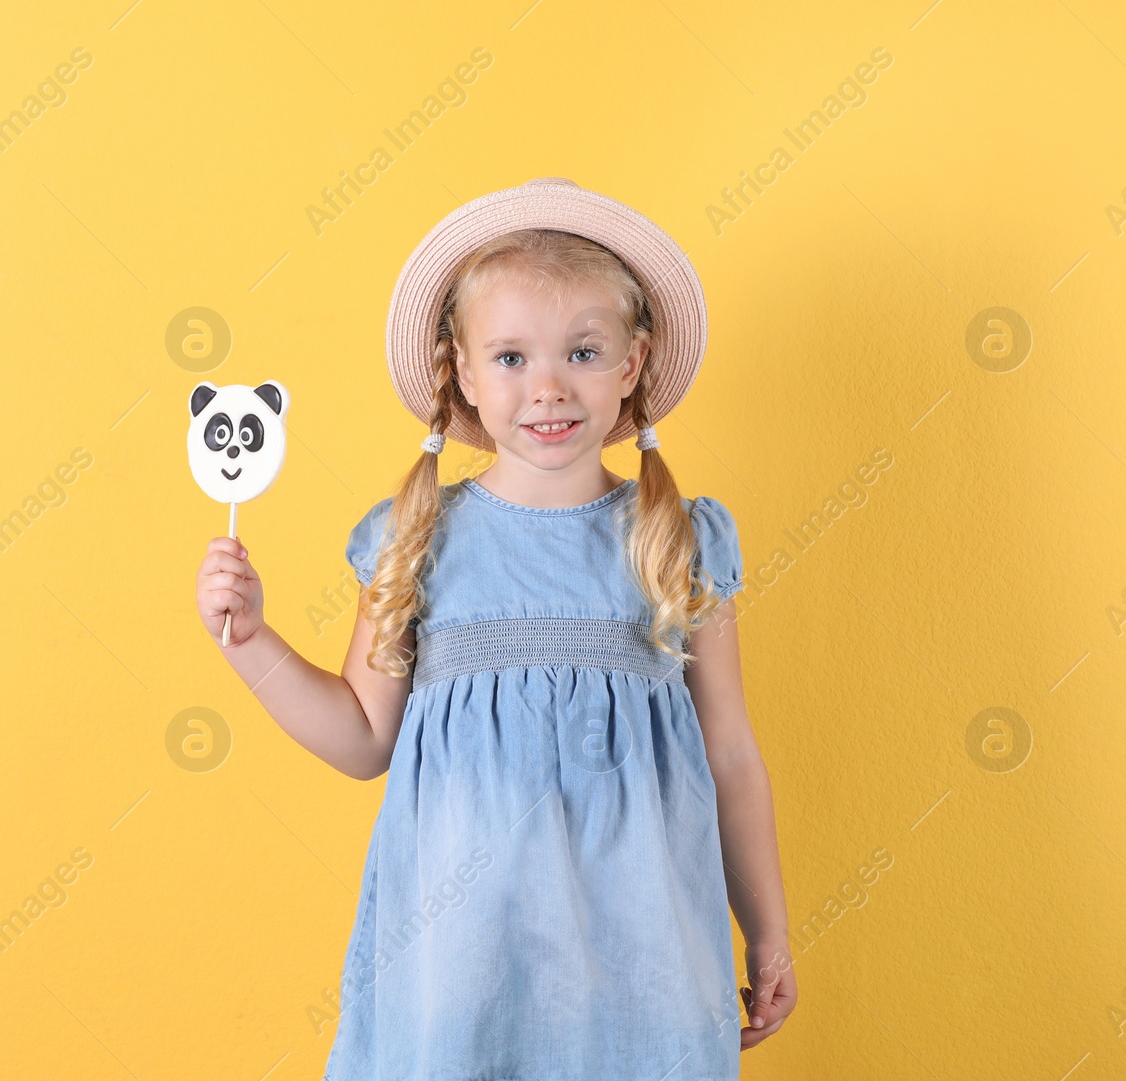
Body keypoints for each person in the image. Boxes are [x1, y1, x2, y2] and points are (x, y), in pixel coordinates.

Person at [195, 177, 796, 1079]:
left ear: (633, 364)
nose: (548, 385)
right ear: (461, 374)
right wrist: (249, 642)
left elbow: (731, 752)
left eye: (583, 351)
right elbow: (363, 737)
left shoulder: (680, 543)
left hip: (647, 975)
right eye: (511, 357)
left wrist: (771, 932)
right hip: (458, 975)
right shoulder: (418, 539)